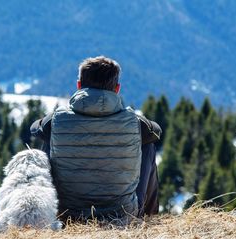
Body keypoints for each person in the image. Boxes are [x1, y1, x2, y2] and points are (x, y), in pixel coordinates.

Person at [31, 56, 161, 222]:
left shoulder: (57, 118)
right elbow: (156, 131)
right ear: (117, 88)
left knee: (49, 136)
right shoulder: (135, 121)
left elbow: (35, 129)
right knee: (147, 145)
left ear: (79, 86)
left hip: (67, 215)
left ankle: (45, 217)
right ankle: (148, 219)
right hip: (122, 216)